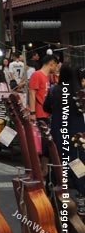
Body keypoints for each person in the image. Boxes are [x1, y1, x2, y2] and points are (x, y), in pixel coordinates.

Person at [48, 64, 85, 213]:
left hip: (59, 130)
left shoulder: (55, 90)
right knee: (78, 162)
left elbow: (46, 107)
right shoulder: (79, 92)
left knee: (59, 160)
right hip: (77, 132)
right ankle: (81, 194)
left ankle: (58, 194)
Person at [29, 54, 59, 177]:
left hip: (47, 113)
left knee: (47, 144)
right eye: (56, 65)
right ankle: (42, 169)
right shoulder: (37, 75)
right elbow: (32, 93)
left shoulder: (48, 77)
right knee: (43, 144)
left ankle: (45, 170)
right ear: (51, 63)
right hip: (40, 113)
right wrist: (32, 112)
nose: (56, 68)